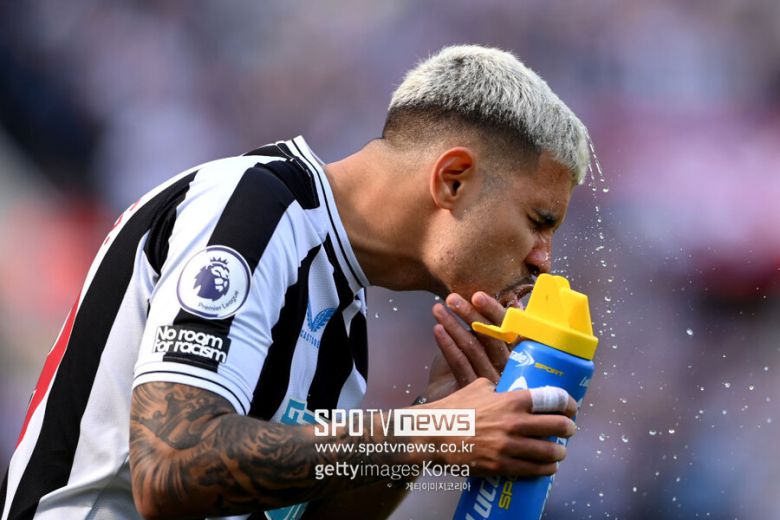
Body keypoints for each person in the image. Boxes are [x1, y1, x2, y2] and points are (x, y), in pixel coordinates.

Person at [1, 44, 590, 520]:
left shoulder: (342, 319)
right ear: (453, 179)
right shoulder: (250, 209)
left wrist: (430, 414)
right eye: (539, 221)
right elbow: (172, 467)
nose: (543, 259)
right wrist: (436, 430)